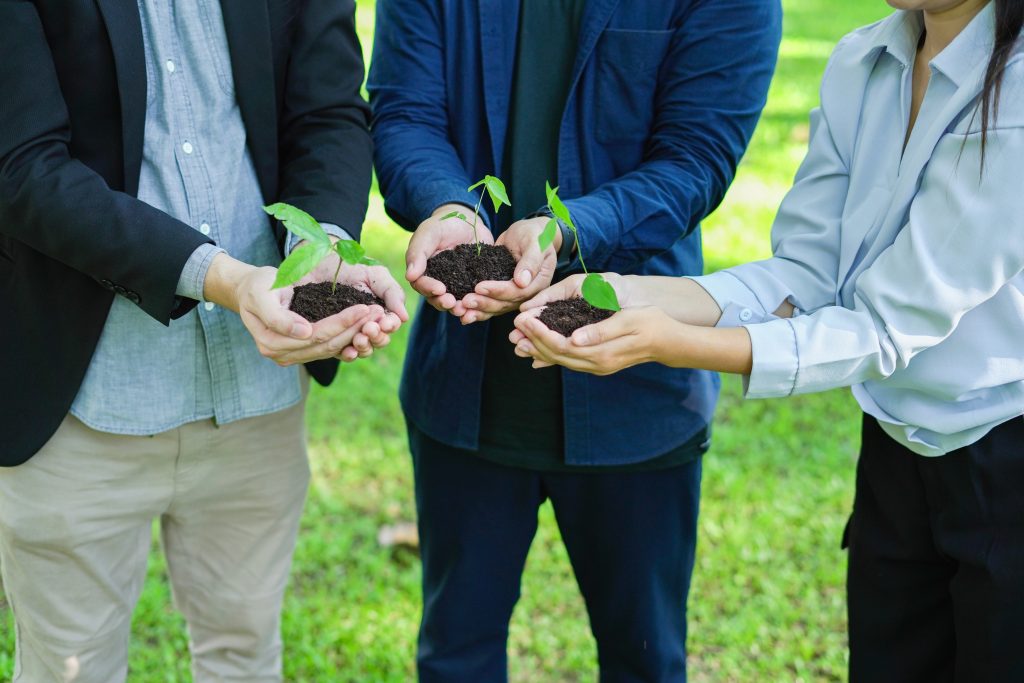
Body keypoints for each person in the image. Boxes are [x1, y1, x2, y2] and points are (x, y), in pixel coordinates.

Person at [512, 0, 1024, 679]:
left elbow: (885, 324)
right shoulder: (863, 61)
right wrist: (628, 294)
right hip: (897, 447)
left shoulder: (1015, 92)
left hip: (1004, 450)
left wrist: (667, 341)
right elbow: (807, 272)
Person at [369, 0, 781, 680]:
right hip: (463, 385)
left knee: (643, 658)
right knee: (455, 655)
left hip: (637, 386)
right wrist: (450, 206)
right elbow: (404, 113)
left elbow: (695, 158)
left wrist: (567, 230)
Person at [0, 1, 406, 680]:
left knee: (245, 656)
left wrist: (323, 251)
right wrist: (226, 280)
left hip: (255, 391)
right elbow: (22, 164)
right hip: (80, 396)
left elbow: (328, 111)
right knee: (68, 669)